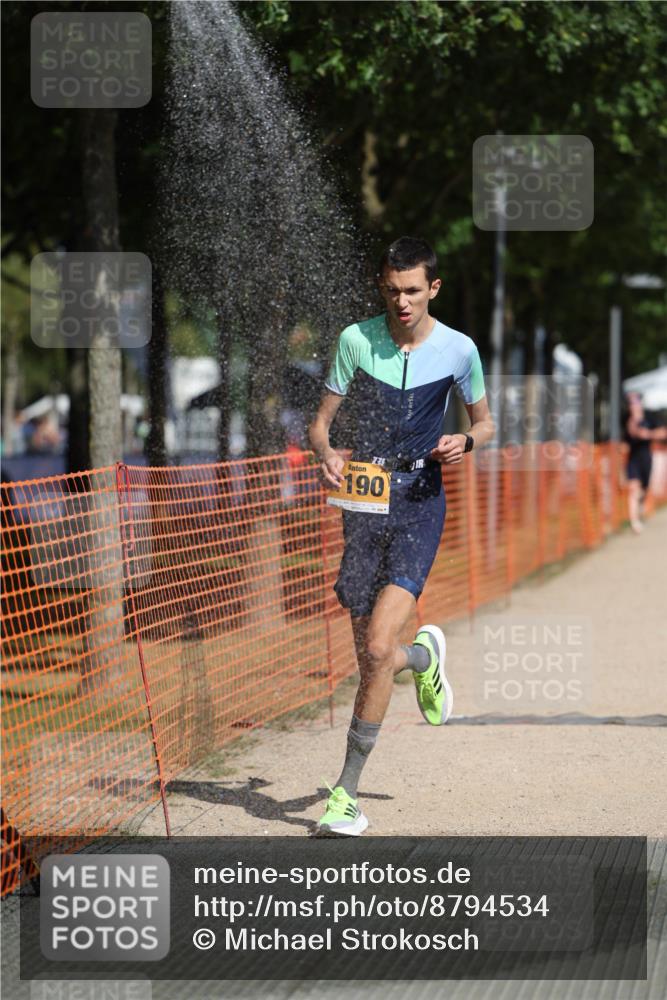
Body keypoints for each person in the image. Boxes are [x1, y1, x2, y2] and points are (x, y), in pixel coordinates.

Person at [308, 237, 495, 835]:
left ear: (433, 288)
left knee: (379, 641)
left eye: (413, 290)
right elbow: (320, 426)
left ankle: (345, 795)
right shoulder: (354, 341)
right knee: (375, 656)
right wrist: (325, 454)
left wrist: (465, 441)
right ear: (381, 286)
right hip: (362, 502)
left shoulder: (460, 350)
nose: (402, 300)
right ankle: (425, 658)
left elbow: (486, 423)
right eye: (392, 289)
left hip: (419, 503)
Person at [624, 392, 667, 534]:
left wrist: (648, 434)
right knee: (633, 489)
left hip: (646, 458)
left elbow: (663, 433)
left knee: (643, 489)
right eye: (631, 403)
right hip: (633, 459)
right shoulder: (627, 419)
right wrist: (634, 422)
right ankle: (634, 522)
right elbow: (630, 433)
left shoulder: (650, 417)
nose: (633, 405)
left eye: (635, 402)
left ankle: (640, 505)